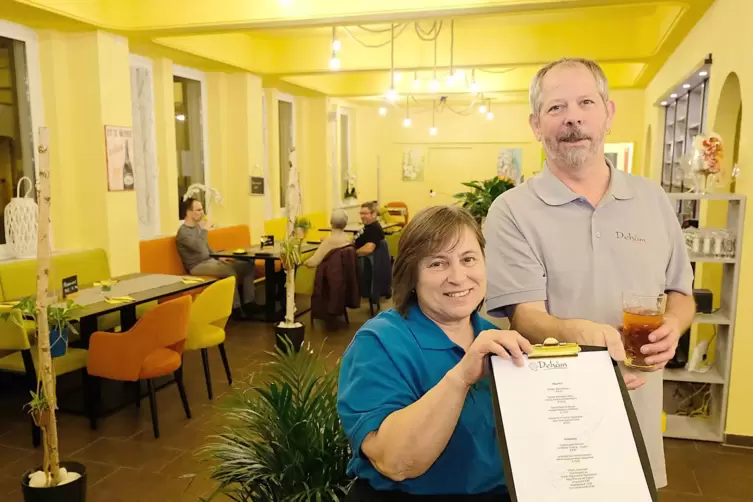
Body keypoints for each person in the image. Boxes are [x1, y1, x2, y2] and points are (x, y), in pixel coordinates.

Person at [483, 57, 696, 489]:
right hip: (556, 411)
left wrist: (673, 324)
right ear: (536, 124)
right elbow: (523, 315)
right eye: (556, 107)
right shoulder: (511, 211)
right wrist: (582, 334)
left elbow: (681, 293)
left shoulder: (652, 200)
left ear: (609, 113)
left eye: (585, 102)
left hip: (639, 410)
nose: (573, 117)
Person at [338, 205, 532, 500]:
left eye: (468, 259)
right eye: (437, 264)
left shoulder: (496, 339)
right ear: (411, 274)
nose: (458, 277)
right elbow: (395, 462)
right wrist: (460, 378)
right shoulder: (379, 343)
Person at [176, 198, 256, 310]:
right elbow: (199, 248)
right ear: (189, 213)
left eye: (202, 209)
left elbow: (207, 247)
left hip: (209, 261)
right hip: (196, 266)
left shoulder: (197, 227)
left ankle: (249, 303)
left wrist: (220, 257)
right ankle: (236, 308)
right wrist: (205, 230)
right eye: (198, 210)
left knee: (248, 265)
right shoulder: (183, 233)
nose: (202, 213)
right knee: (229, 271)